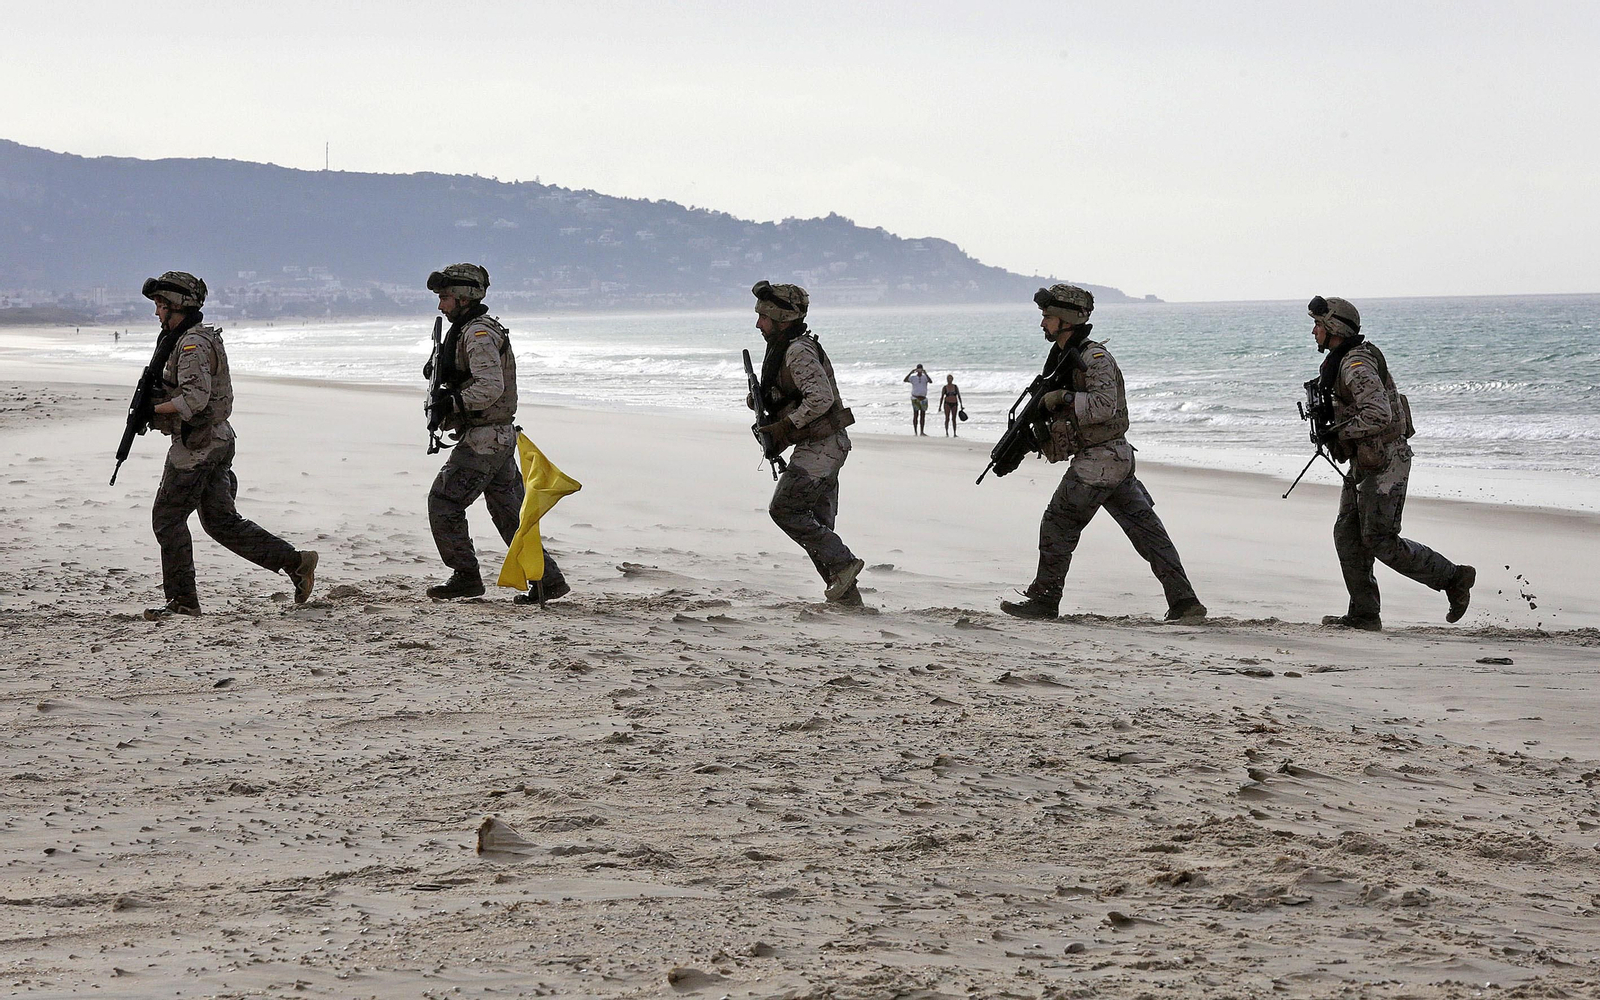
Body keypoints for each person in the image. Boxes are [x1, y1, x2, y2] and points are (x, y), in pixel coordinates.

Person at [1001, 283, 1206, 622]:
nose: (1042, 324)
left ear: (1065, 320)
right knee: (1147, 533)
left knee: (1058, 524)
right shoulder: (1067, 359)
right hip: (1115, 463)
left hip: (1098, 463)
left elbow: (1103, 407)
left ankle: (1045, 600)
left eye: (1048, 317)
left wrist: (1063, 398)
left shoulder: (1094, 358)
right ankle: (1184, 602)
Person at [139, 271, 318, 619]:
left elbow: (194, 399)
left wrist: (152, 409)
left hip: (199, 447)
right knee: (221, 522)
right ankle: (296, 562)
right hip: (214, 440)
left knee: (167, 518)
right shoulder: (187, 339)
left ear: (177, 307)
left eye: (161, 306)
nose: (157, 313)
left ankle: (183, 602)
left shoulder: (191, 344)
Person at [1306, 295, 1474, 631]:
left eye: (1318, 325)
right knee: (1347, 534)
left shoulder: (1356, 366)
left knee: (1379, 539)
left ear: (1333, 327)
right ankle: (1364, 614)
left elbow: (1379, 414)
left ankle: (1454, 578)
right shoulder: (1344, 361)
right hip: (1367, 459)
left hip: (1385, 460)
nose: (1313, 332)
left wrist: (1338, 431)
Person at [423, 263, 569, 605]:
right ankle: (547, 579)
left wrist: (452, 403)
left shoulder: (478, 335)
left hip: (486, 440)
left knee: (444, 501)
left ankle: (466, 576)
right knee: (509, 513)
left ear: (463, 298)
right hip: (495, 437)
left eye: (445, 298)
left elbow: (490, 387)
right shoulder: (468, 331)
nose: (440, 306)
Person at [748, 280, 866, 606]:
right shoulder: (784, 348)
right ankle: (847, 598)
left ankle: (843, 564)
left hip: (822, 448)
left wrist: (784, 428)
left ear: (780, 317)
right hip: (824, 446)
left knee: (785, 509)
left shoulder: (797, 350)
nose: (758, 324)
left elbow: (821, 399)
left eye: (763, 317)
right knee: (818, 526)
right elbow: (795, 394)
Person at [904, 364, 932, 435]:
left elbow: (930, 381)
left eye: (920, 369)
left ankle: (922, 431)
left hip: (923, 398)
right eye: (918, 369)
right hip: (915, 398)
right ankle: (915, 431)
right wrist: (911, 372)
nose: (919, 370)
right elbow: (905, 380)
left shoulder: (924, 377)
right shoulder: (913, 377)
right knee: (915, 415)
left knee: (923, 415)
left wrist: (925, 373)